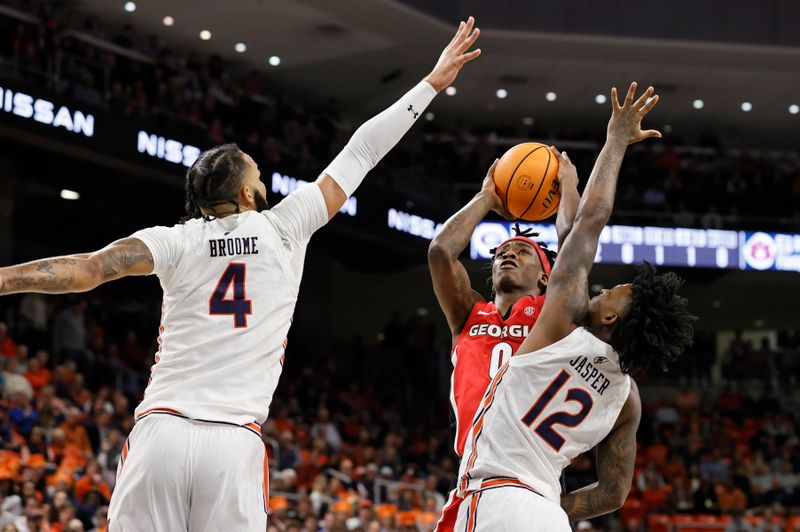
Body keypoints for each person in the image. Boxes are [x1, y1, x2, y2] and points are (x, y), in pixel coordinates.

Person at [0, 17, 483, 531]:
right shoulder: (284, 226)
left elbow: (91, 269)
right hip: (232, 442)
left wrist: (4, 278)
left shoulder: (176, 239)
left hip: (162, 431)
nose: (262, 175)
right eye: (256, 170)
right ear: (248, 193)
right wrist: (430, 83)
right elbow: (362, 151)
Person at [454, 82, 696, 530]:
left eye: (611, 292)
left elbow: (589, 223)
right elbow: (613, 493)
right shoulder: (628, 399)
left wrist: (616, 141)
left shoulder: (562, 325)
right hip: (546, 513)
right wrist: (544, 513)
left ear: (608, 317)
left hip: (493, 497)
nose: (602, 289)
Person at [428, 153, 580, 531]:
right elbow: (441, 252)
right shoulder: (468, 313)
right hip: (474, 470)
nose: (508, 254)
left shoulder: (552, 314)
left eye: (523, 251)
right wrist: (486, 198)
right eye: (500, 253)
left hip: (533, 467)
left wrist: (571, 189)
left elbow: (575, 248)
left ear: (546, 279)